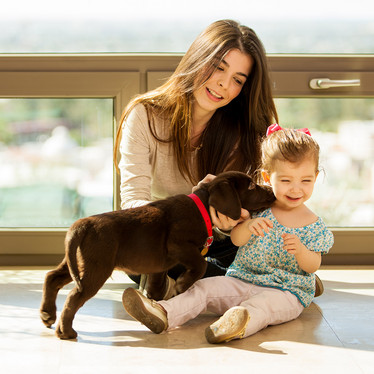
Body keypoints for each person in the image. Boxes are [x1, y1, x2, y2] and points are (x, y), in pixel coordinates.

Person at [122, 126, 334, 344]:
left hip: (286, 293)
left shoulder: (313, 224)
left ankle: (235, 323)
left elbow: (312, 266)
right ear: (267, 177)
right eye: (286, 181)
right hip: (241, 280)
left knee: (262, 306)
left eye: (305, 181)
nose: (296, 189)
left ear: (316, 177)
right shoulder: (258, 209)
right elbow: (236, 240)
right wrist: (248, 225)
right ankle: (163, 312)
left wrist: (300, 251)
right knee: (204, 288)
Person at [114, 19, 278, 289]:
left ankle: (201, 285)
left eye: (237, 80)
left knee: (259, 244)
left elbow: (252, 210)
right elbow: (133, 200)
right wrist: (187, 208)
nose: (223, 84)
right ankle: (261, 284)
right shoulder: (144, 114)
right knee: (133, 252)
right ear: (198, 58)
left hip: (223, 244)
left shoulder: (242, 131)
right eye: (217, 68)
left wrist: (230, 221)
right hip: (168, 240)